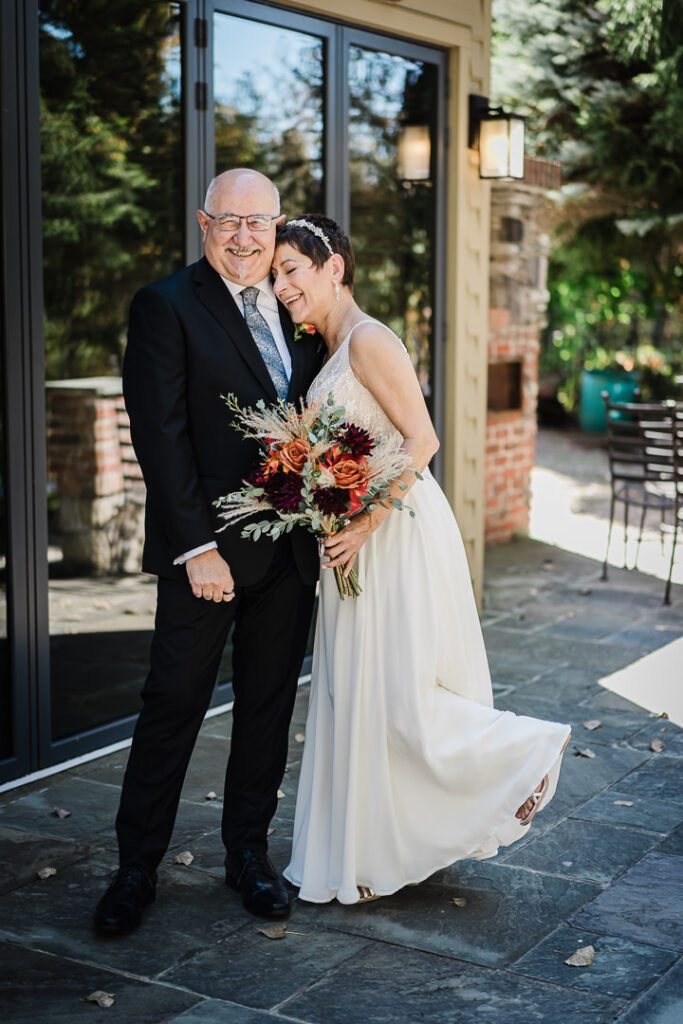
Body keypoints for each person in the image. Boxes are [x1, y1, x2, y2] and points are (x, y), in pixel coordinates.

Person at [271, 215, 571, 905]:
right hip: (356, 534)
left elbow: (422, 439)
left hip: (394, 531)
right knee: (361, 695)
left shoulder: (370, 340)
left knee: (399, 696)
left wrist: (365, 522)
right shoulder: (328, 349)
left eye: (292, 269)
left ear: (333, 269)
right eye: (276, 274)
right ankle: (370, 856)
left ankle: (523, 756)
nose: (282, 285)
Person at [94, 169, 322, 933]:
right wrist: (197, 548)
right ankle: (135, 869)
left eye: (258, 223)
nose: (243, 236)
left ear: (277, 226)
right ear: (203, 224)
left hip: (287, 555)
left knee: (266, 708)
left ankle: (247, 857)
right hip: (208, 559)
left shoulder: (296, 307)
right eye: (228, 221)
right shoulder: (166, 305)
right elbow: (160, 437)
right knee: (172, 707)